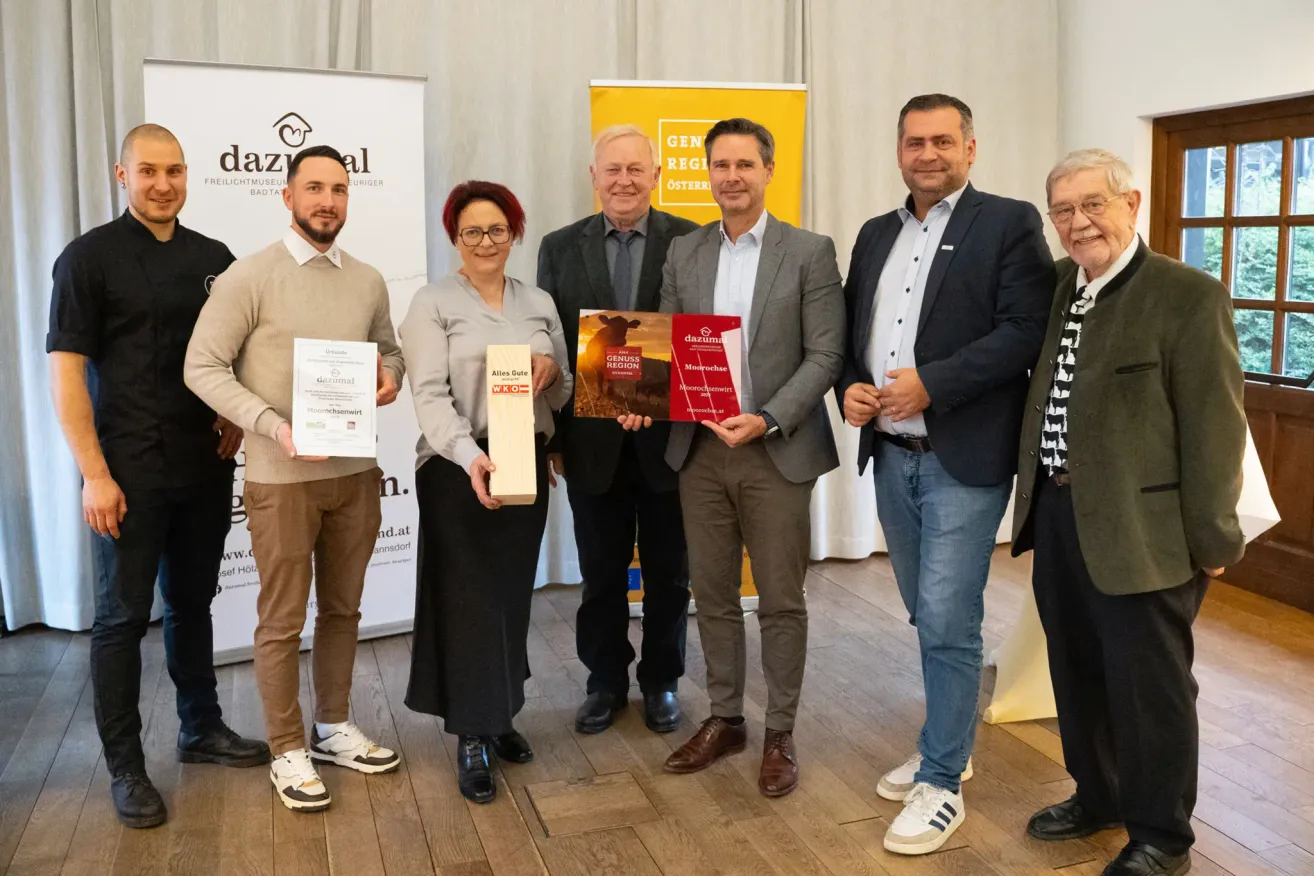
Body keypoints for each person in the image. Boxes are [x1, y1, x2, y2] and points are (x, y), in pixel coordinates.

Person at [1012, 149, 1245, 876]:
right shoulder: (1060, 286)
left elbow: (1215, 427)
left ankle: (1161, 837)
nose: (1079, 223)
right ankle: (1099, 795)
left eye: (1093, 205)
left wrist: (1214, 540)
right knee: (1076, 670)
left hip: (1149, 530)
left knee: (1151, 688)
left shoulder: (1187, 295)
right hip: (1058, 512)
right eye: (1063, 210)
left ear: (1131, 203)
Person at [835, 94, 1055, 854]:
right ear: (897, 151)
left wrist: (934, 382)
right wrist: (849, 389)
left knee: (948, 617)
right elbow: (848, 334)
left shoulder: (1008, 221)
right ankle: (946, 744)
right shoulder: (873, 234)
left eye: (941, 141)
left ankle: (941, 778)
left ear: (970, 147)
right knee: (927, 616)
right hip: (892, 458)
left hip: (963, 460)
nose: (926, 154)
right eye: (913, 142)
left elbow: (1026, 331)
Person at [46, 124, 270, 829]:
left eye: (174, 170)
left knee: (193, 603)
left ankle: (199, 727)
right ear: (122, 174)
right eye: (149, 171)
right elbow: (65, 372)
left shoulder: (215, 259)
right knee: (119, 619)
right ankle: (125, 766)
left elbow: (239, 352)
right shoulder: (87, 260)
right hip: (127, 473)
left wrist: (238, 416)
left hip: (203, 466)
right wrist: (93, 475)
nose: (163, 183)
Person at [184, 145, 405, 813]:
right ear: (286, 196)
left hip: (356, 473)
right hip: (280, 477)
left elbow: (387, 348)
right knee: (281, 620)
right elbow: (202, 368)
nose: (327, 201)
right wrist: (273, 426)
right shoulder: (248, 277)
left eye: (338, 188)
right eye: (313, 188)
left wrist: (389, 375)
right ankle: (286, 749)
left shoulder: (366, 279)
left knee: (343, 611)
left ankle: (333, 725)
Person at [631, 117, 844, 798]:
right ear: (708, 173)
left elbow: (826, 354)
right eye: (720, 165)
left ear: (768, 170)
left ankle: (779, 730)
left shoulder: (809, 251)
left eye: (744, 164)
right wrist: (639, 393)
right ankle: (726, 719)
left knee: (781, 599)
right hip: (698, 451)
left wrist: (769, 417)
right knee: (713, 594)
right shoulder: (685, 254)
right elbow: (662, 346)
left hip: (775, 450)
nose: (732, 177)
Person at [400, 181, 573, 804]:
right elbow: (427, 396)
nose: (485, 242)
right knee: (470, 602)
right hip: (458, 467)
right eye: (472, 231)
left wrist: (553, 375)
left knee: (508, 598)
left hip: (523, 462)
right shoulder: (432, 303)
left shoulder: (540, 303)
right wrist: (474, 460)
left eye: (497, 229)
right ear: (454, 237)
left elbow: (565, 392)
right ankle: (471, 733)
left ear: (514, 233)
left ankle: (500, 716)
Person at [536, 125, 699, 737]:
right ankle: (604, 681)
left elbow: (696, 335)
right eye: (613, 170)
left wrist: (657, 400)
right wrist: (552, 437)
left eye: (636, 169)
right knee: (600, 573)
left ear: (655, 176)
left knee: (669, 574)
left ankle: (661, 680)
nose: (624, 180)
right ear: (594, 176)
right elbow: (548, 341)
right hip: (590, 442)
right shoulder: (559, 246)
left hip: (670, 440)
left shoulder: (691, 240)